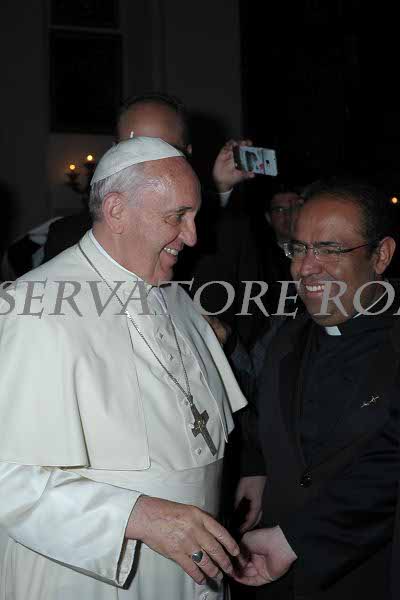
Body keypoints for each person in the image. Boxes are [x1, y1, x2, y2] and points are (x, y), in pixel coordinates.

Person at [0, 136, 248, 600]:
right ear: (116, 211)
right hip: (93, 575)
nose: (193, 237)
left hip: (195, 567)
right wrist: (137, 516)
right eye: (177, 217)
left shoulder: (175, 295)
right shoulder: (34, 309)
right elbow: (7, 479)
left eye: (195, 216)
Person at [233, 178, 400, 599]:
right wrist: (255, 464)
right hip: (273, 579)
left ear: (381, 255)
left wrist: (295, 539)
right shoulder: (285, 338)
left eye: (329, 250)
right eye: (299, 249)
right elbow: (261, 415)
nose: (306, 267)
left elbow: (387, 471)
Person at [44, 93, 262, 348]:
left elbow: (250, 324)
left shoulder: (226, 233)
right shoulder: (67, 237)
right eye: (133, 148)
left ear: (187, 153)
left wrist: (221, 338)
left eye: (165, 150)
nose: (148, 161)